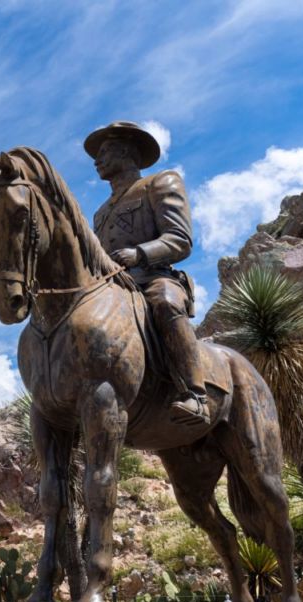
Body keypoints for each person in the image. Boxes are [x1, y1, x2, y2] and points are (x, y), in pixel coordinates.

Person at [86, 120, 210, 425]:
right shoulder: (100, 212)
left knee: (166, 302)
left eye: (105, 151)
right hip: (114, 288)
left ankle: (195, 394)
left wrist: (139, 253)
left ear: (127, 151)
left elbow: (180, 240)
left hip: (152, 278)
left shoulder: (160, 183)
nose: (96, 160)